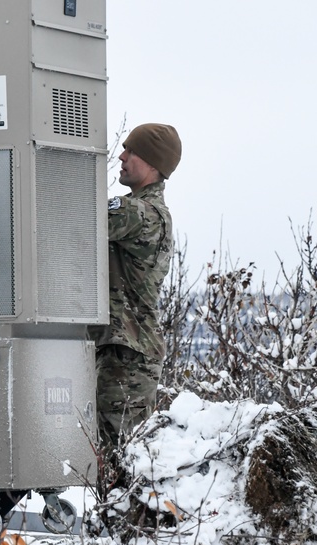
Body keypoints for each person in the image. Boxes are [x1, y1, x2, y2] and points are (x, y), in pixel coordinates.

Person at [89, 123, 181, 486]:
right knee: (110, 461)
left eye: (132, 151)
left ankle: (128, 538)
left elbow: (75, 221)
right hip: (122, 349)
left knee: (119, 466)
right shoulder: (139, 210)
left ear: (154, 164)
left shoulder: (141, 214)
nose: (122, 157)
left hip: (129, 354)